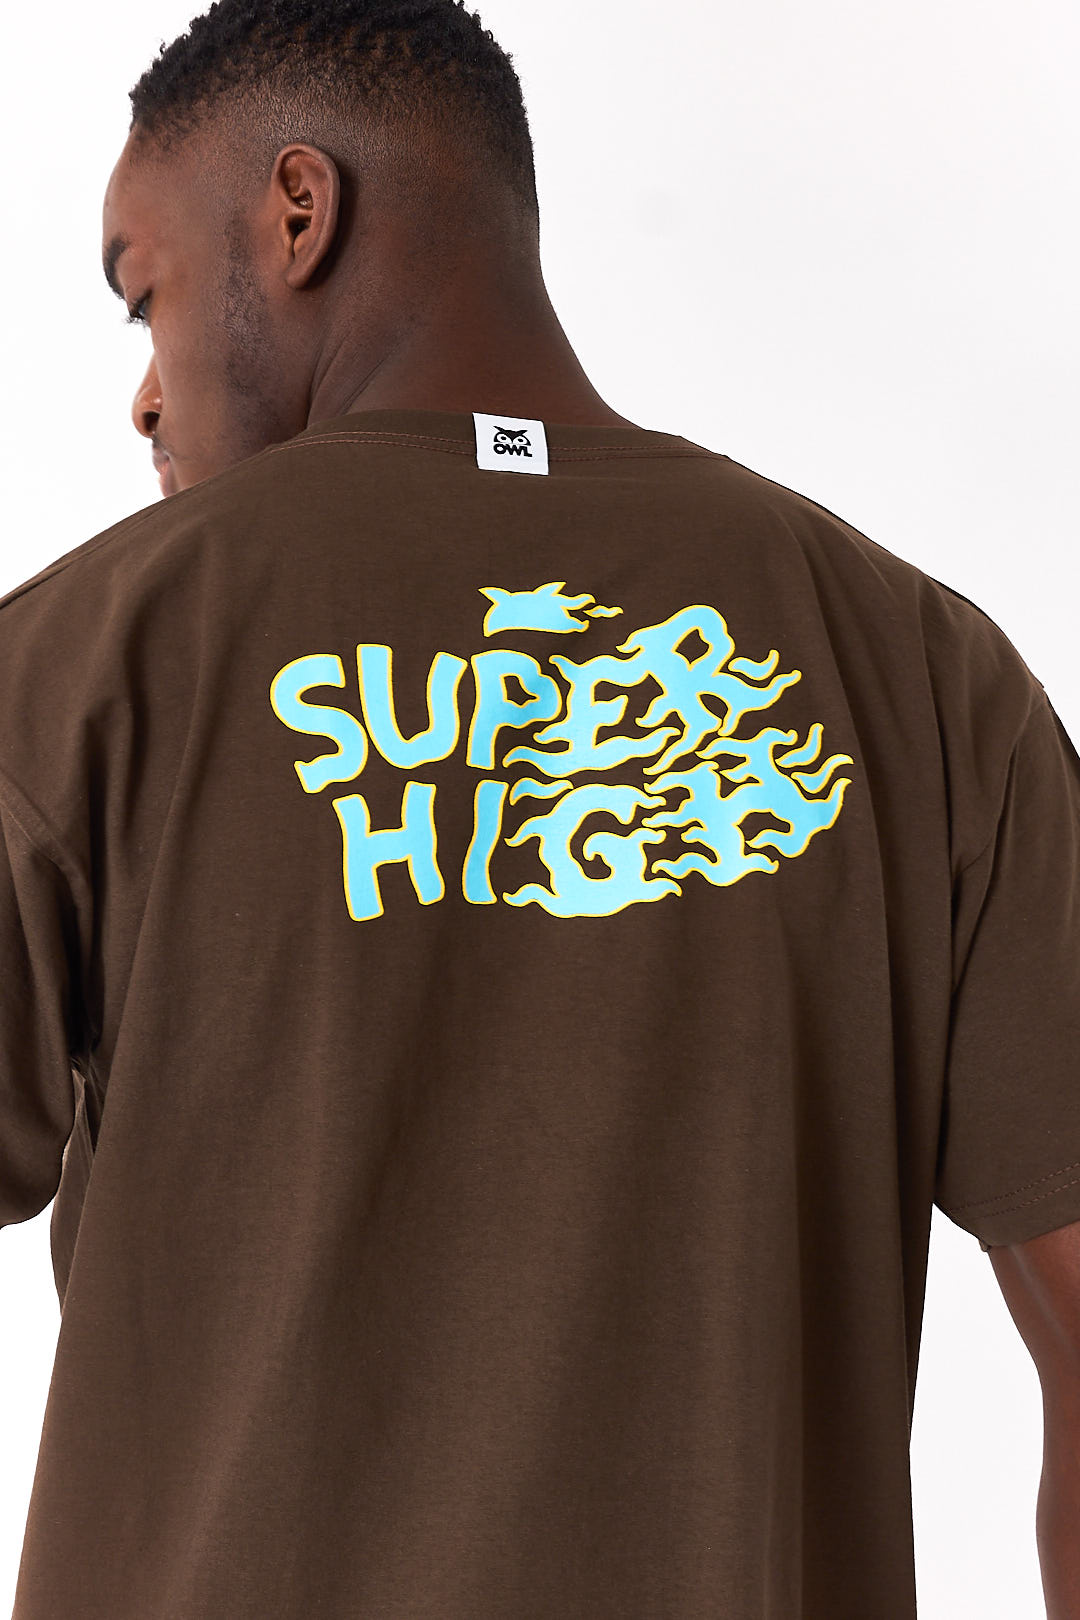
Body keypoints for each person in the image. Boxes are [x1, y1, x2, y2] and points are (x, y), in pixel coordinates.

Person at [1, 1, 1077, 1616]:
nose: (144, 399)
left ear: (298, 213)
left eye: (144, 297)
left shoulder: (83, 661)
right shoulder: (923, 676)